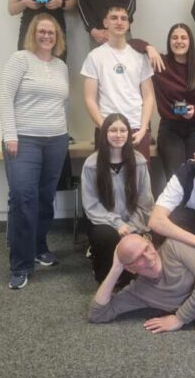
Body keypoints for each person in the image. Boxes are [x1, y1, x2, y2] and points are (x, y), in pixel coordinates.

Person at [0, 13, 70, 290]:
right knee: (23, 198)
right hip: (24, 140)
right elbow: (5, 97)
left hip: (56, 140)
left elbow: (62, 103)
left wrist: (64, 131)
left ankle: (39, 247)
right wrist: (10, 135)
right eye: (42, 31)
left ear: (57, 37)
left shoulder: (61, 66)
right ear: (33, 33)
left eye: (51, 32)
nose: (46, 36)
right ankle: (20, 265)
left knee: (45, 198)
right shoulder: (20, 60)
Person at [130, 24, 195, 179]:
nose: (179, 41)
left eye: (183, 38)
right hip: (170, 128)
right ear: (169, 41)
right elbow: (130, 43)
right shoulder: (160, 63)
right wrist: (149, 48)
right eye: (174, 38)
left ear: (190, 41)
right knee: (176, 177)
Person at [81, 113, 153, 283]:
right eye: (113, 130)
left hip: (134, 221)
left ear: (129, 133)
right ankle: (103, 269)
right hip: (104, 222)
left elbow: (145, 202)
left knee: (133, 275)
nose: (118, 135)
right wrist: (118, 224)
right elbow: (91, 205)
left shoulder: (139, 162)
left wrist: (131, 227)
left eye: (123, 130)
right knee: (106, 237)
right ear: (105, 133)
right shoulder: (91, 164)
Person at [81, 4, 155, 160]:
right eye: (114, 18)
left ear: (128, 24)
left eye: (124, 18)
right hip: (107, 128)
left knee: (139, 175)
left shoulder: (140, 56)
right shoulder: (94, 57)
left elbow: (149, 97)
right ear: (105, 23)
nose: (119, 22)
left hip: (136, 129)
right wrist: (105, 127)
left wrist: (144, 129)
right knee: (105, 175)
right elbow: (89, 98)